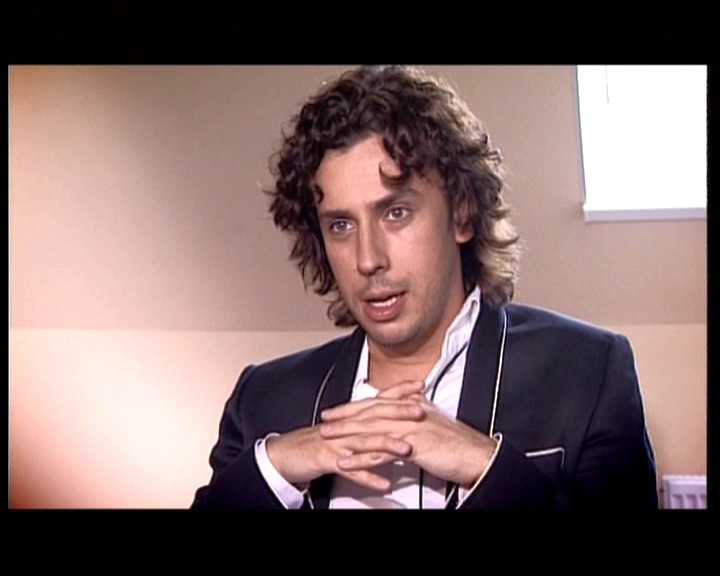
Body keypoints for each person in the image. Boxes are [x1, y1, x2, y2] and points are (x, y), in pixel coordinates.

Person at [191, 65, 658, 509]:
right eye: (341, 225)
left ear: (461, 214)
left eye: (396, 213)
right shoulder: (262, 400)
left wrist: (484, 465)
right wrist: (280, 465)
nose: (368, 259)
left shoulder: (587, 374)